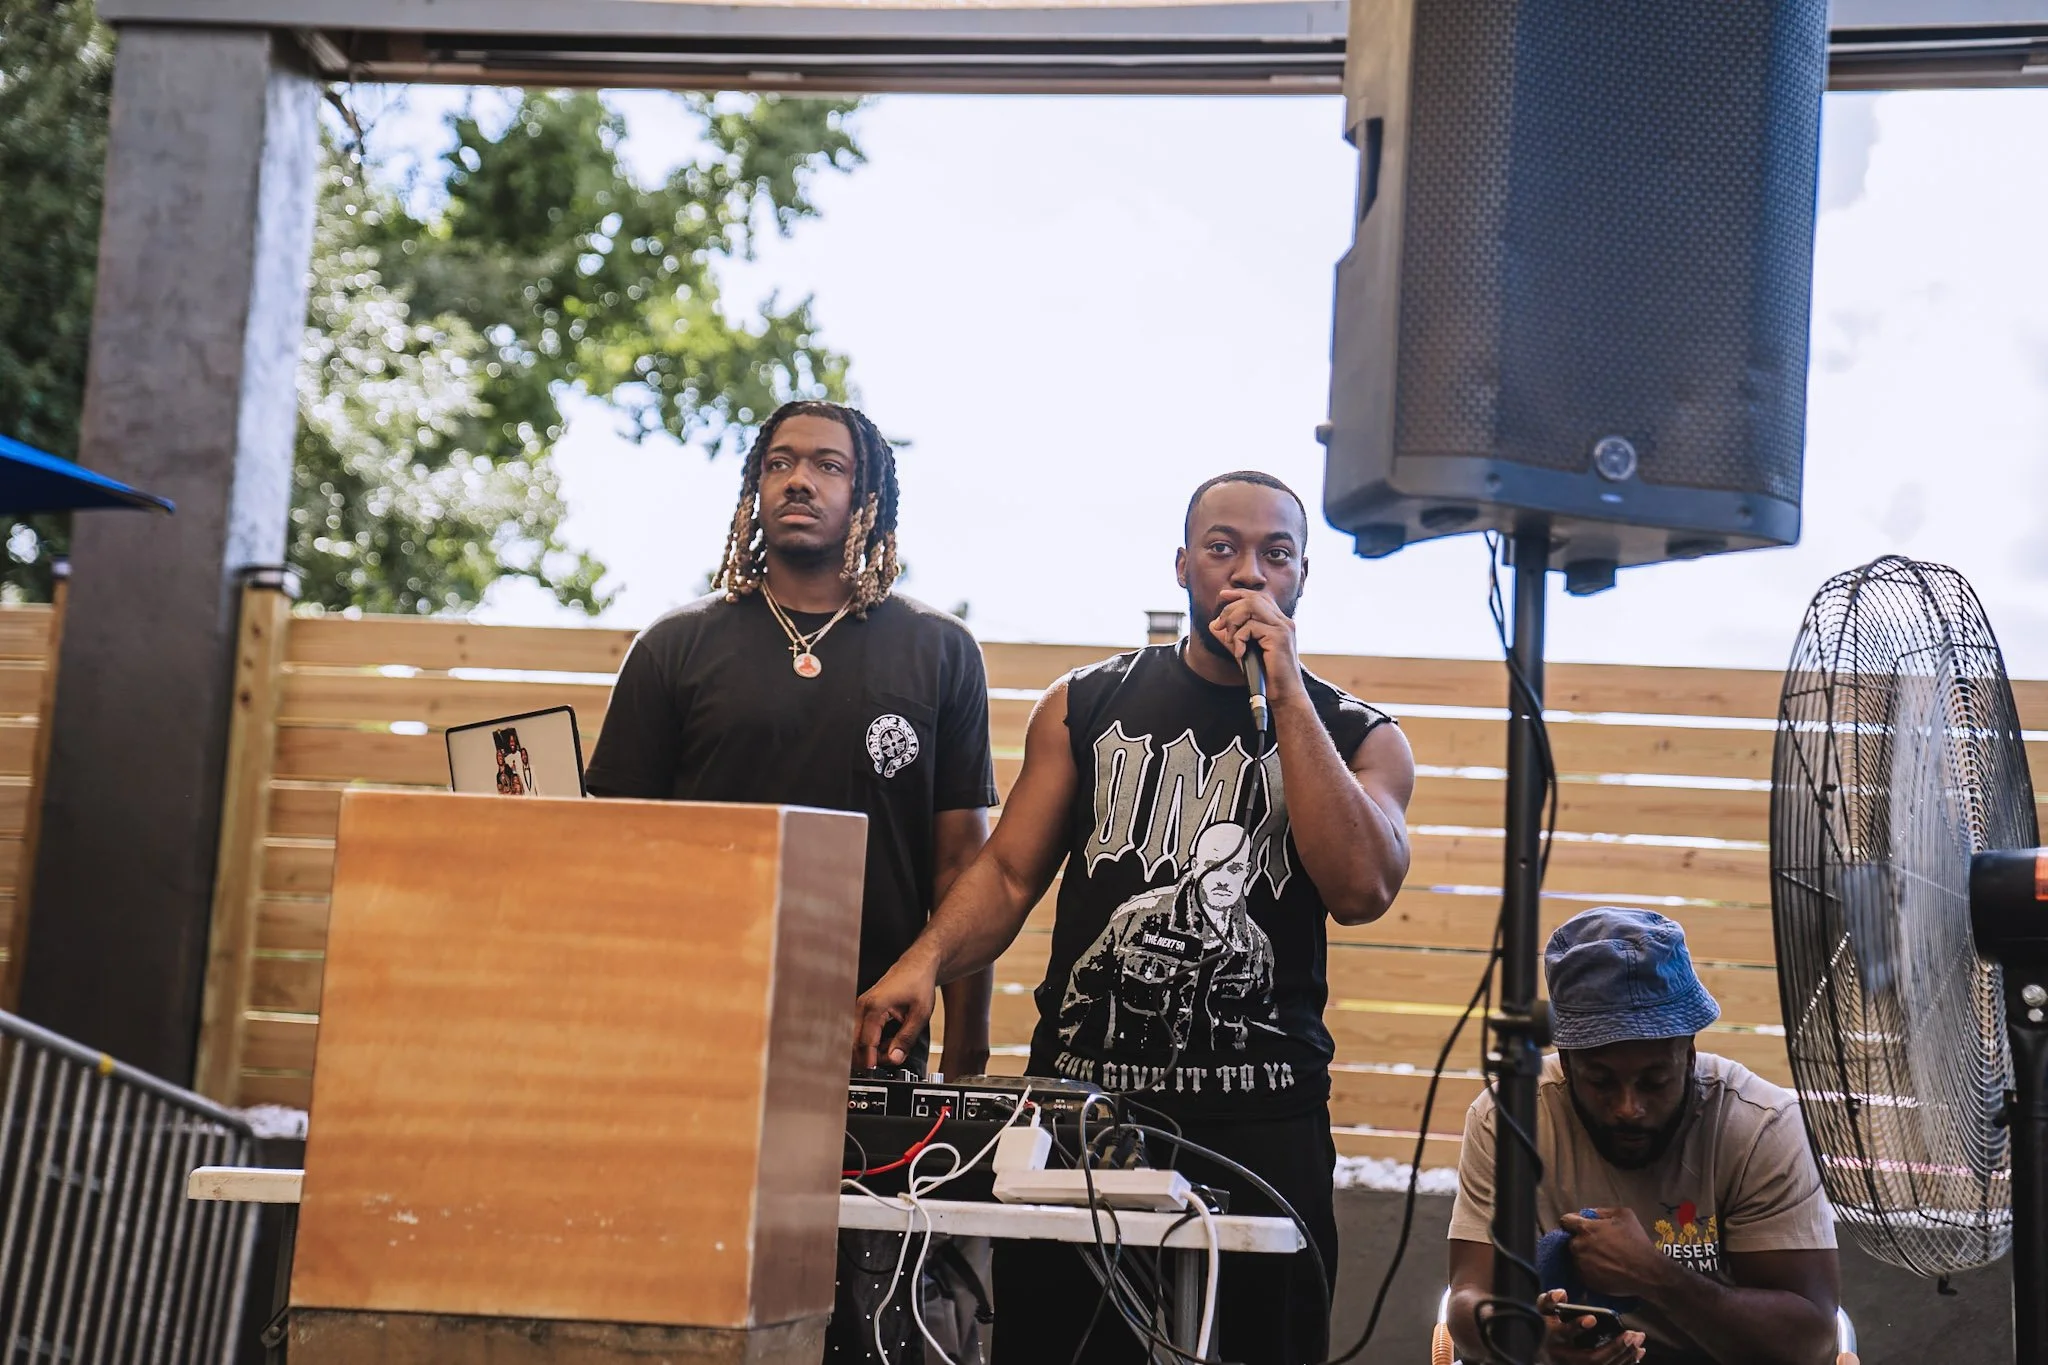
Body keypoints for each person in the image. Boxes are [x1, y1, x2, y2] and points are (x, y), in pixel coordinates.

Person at [854, 470, 1417, 1363]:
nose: (1248, 571)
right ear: (1182, 564)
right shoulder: (1085, 703)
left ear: (1303, 576)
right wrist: (923, 960)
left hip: (1264, 1124)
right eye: (1223, 547)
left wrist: (1286, 692)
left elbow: (1362, 889)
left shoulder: (1362, 737)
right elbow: (1007, 873)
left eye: (1276, 553)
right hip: (1089, 1118)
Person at [583, 399, 998, 1361]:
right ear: (754, 487)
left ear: (869, 493)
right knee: (686, 1307)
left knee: (862, 1325)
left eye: (826, 464)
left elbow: (964, 871)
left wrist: (967, 1062)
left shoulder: (938, 651)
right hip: (693, 1050)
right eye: (778, 462)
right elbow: (616, 860)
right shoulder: (675, 647)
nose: (799, 479)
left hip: (872, 1054)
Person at [1445, 908, 1841, 1365]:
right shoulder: (1509, 1119)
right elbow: (1467, 1299)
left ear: (1688, 1056)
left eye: (1654, 1081)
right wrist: (1531, 1340)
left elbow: (1809, 1342)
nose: (1628, 1108)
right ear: (1566, 1061)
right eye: (1600, 1081)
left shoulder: (1760, 1126)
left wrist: (1655, 1276)